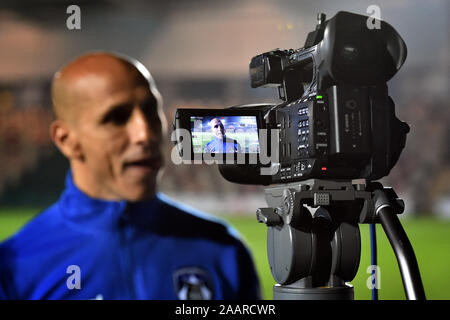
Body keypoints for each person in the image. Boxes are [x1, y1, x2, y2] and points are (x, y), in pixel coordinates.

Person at [0, 52, 260, 300]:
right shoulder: (15, 267)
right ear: (66, 140)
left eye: (150, 110)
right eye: (116, 117)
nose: (145, 134)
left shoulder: (223, 249)